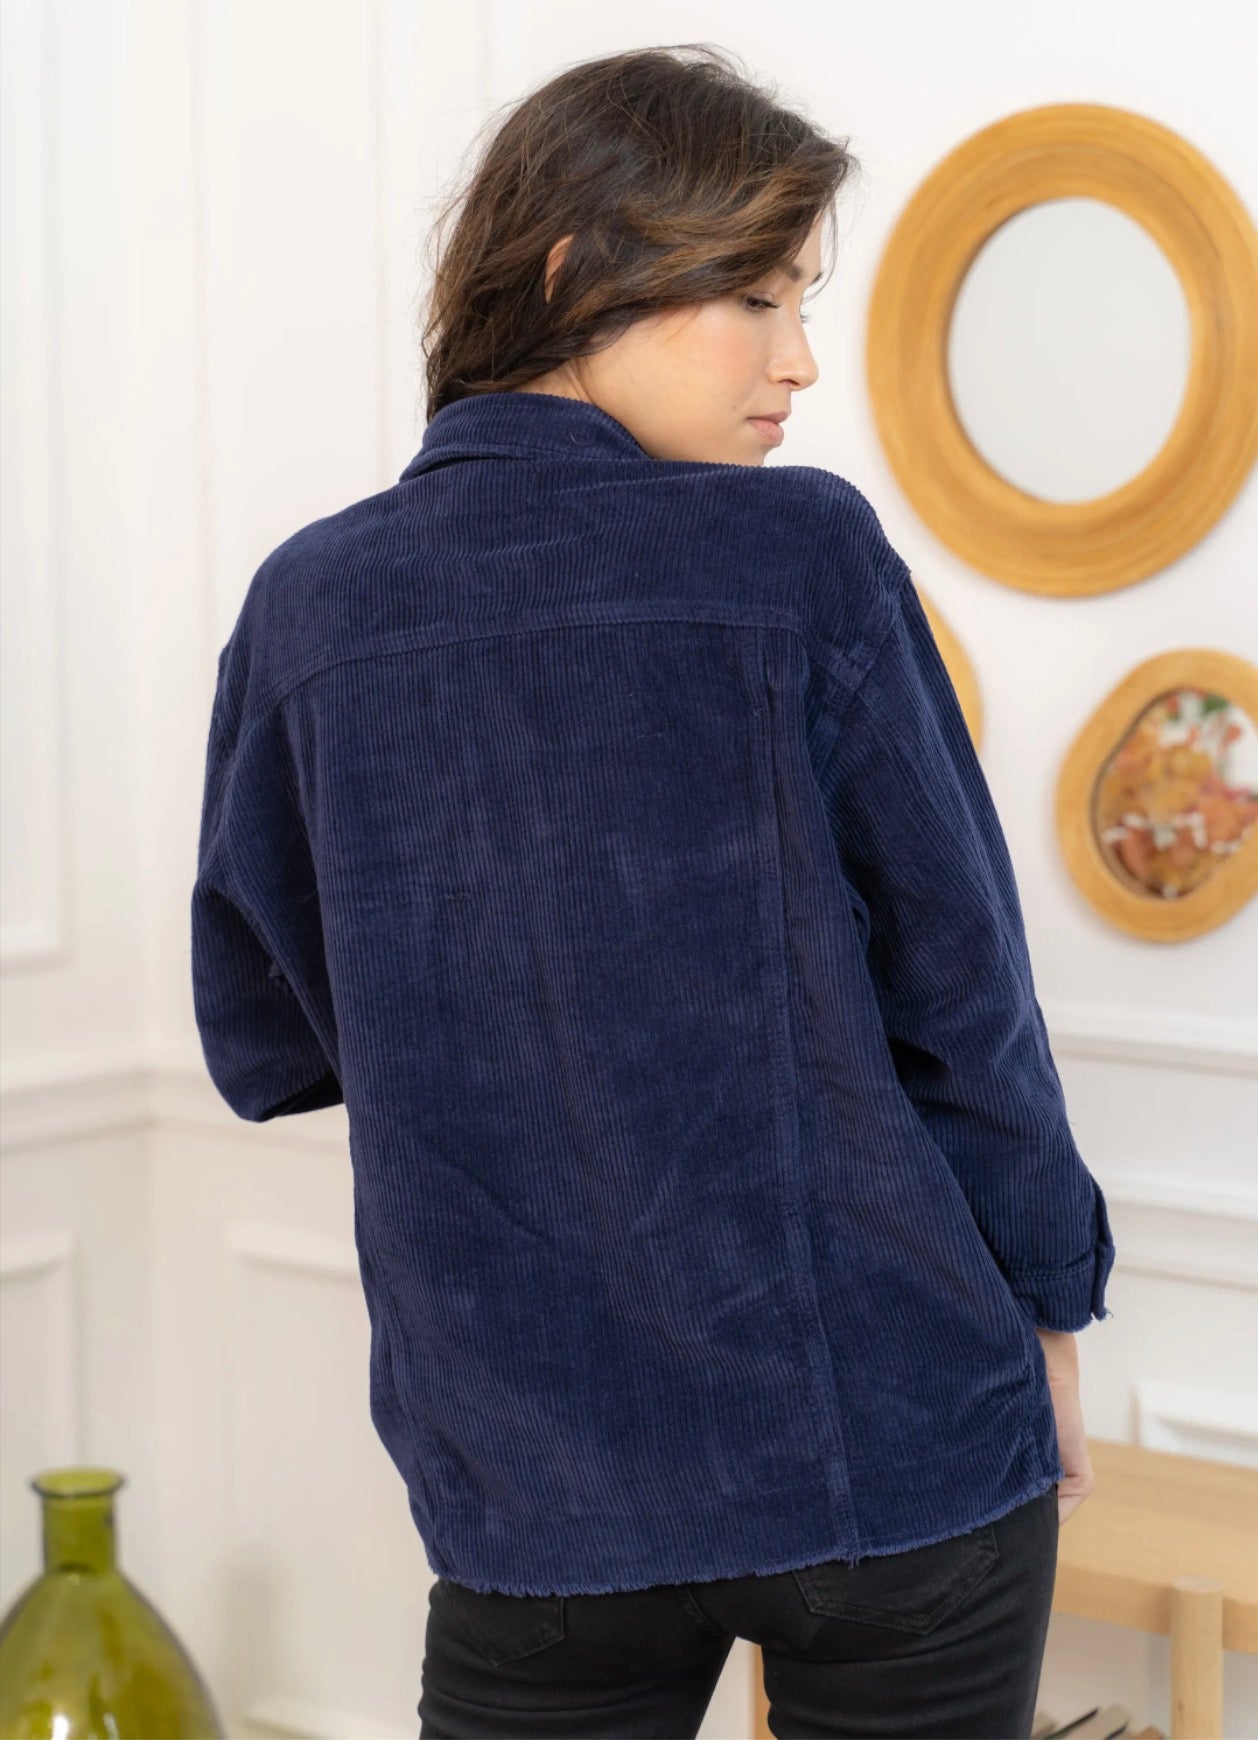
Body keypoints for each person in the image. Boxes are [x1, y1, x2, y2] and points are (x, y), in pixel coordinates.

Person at [190, 43, 1116, 1740]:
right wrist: (1051, 1304)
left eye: (801, 301)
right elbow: (963, 997)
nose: (799, 358)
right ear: (571, 274)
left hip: (533, 1484)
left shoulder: (305, 604)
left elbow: (265, 1037)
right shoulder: (801, 553)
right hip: (885, 1446)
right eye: (754, 298)